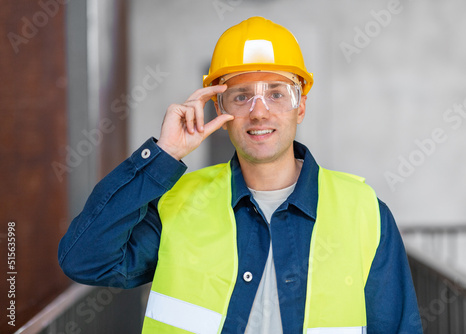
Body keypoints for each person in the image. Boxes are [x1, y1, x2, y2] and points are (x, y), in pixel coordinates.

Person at [59, 16, 423, 334]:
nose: (259, 112)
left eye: (277, 94)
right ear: (219, 110)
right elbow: (85, 259)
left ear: (302, 106)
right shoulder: (179, 203)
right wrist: (163, 155)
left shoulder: (365, 212)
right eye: (241, 96)